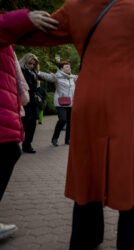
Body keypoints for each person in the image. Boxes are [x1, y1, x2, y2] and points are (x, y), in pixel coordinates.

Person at [17, 1, 134, 249]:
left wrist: (23, 18)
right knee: (130, 161)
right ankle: (128, 237)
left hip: (89, 97)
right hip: (126, 100)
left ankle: (86, 236)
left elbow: (33, 32)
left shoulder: (75, 8)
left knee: (88, 163)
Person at [0, 8, 58, 240]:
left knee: (9, 150)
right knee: (8, 150)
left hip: (9, 102)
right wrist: (25, 19)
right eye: (32, 61)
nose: (34, 63)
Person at [38, 61, 77, 146]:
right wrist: (38, 71)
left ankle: (68, 140)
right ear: (61, 69)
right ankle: (55, 138)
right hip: (60, 103)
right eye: (67, 67)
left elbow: (82, 77)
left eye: (69, 67)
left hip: (71, 103)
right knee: (63, 120)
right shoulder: (57, 77)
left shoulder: (72, 77)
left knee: (70, 122)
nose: (69, 68)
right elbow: (46, 76)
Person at [19, 53, 43, 153]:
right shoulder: (21, 72)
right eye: (30, 63)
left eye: (34, 64)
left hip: (33, 102)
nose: (32, 66)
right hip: (24, 101)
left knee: (32, 124)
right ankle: (23, 144)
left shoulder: (34, 73)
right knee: (24, 124)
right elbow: (26, 87)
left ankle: (27, 145)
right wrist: (36, 86)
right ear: (25, 62)